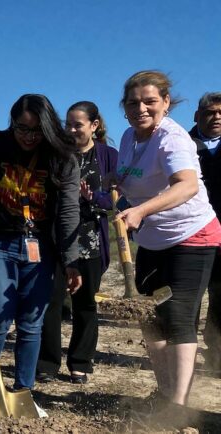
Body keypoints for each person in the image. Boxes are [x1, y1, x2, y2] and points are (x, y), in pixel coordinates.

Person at [0, 94, 82, 418]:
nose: (27, 137)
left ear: (47, 129)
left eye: (35, 131)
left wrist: (71, 260)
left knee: (31, 322)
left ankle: (23, 391)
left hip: (40, 245)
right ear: (12, 122)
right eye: (22, 128)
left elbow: (67, 213)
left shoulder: (62, 156)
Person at [115, 71, 220, 408]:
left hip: (192, 235)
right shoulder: (129, 137)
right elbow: (131, 176)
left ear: (165, 103)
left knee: (177, 316)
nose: (141, 108)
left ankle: (177, 406)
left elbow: (186, 184)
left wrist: (141, 211)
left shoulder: (172, 139)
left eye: (149, 101)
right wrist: (112, 182)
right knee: (150, 317)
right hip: (154, 239)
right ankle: (164, 393)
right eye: (133, 102)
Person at [37, 102, 117, 384]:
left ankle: (80, 361)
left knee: (85, 304)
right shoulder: (58, 154)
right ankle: (47, 362)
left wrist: (93, 198)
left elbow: (119, 199)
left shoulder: (108, 156)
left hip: (91, 240)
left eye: (77, 125)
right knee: (51, 301)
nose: (71, 130)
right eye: (67, 124)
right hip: (57, 238)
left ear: (94, 125)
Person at [191, 92, 221, 374]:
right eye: (211, 112)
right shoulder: (181, 144)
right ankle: (183, 351)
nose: (217, 117)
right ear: (197, 116)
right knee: (190, 295)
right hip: (192, 233)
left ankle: (216, 355)